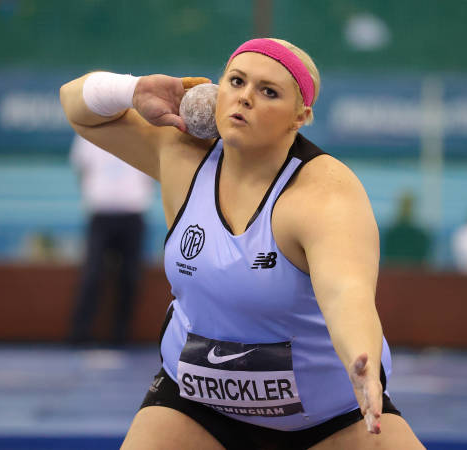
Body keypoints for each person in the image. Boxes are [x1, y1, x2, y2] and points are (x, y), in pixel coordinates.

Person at [60, 38, 423, 449]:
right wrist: (132, 90)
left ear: (300, 117)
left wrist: (362, 361)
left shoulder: (324, 193)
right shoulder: (182, 155)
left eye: (268, 92)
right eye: (236, 81)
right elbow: (75, 107)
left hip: (332, 419)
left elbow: (346, 292)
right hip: (196, 408)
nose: (246, 97)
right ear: (217, 90)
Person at [69, 134, 154, 346]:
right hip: (101, 213)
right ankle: (80, 333)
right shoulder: (88, 132)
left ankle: (121, 335)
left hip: (132, 212)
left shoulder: (142, 133)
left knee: (130, 276)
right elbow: (81, 169)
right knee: (92, 274)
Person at [381, 190, 431, 267]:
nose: (406, 209)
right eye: (404, 205)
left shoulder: (421, 237)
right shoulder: (390, 235)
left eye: (408, 205)